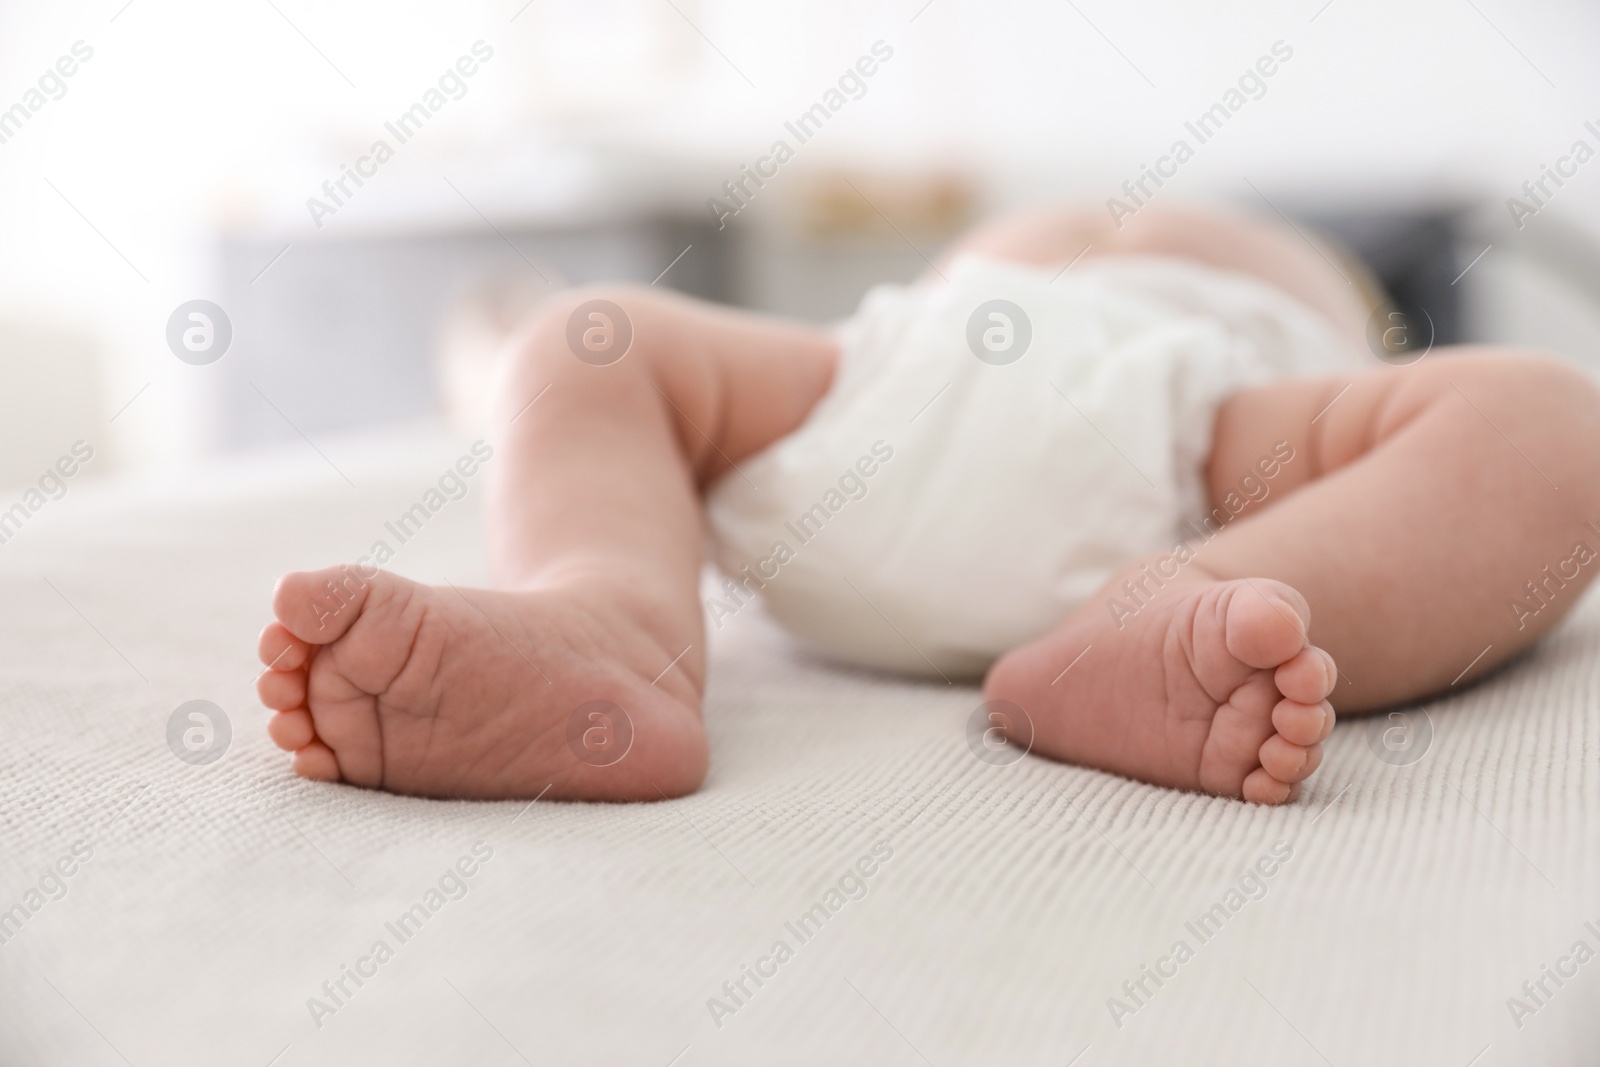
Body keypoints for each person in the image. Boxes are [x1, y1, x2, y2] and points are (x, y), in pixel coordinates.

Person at [254, 203, 1600, 805]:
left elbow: (1417, 459)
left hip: (1203, 456)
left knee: (1551, 422)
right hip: (899, 379)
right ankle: (605, 619)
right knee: (581, 336)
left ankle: (1171, 621)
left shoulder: (1308, 360)